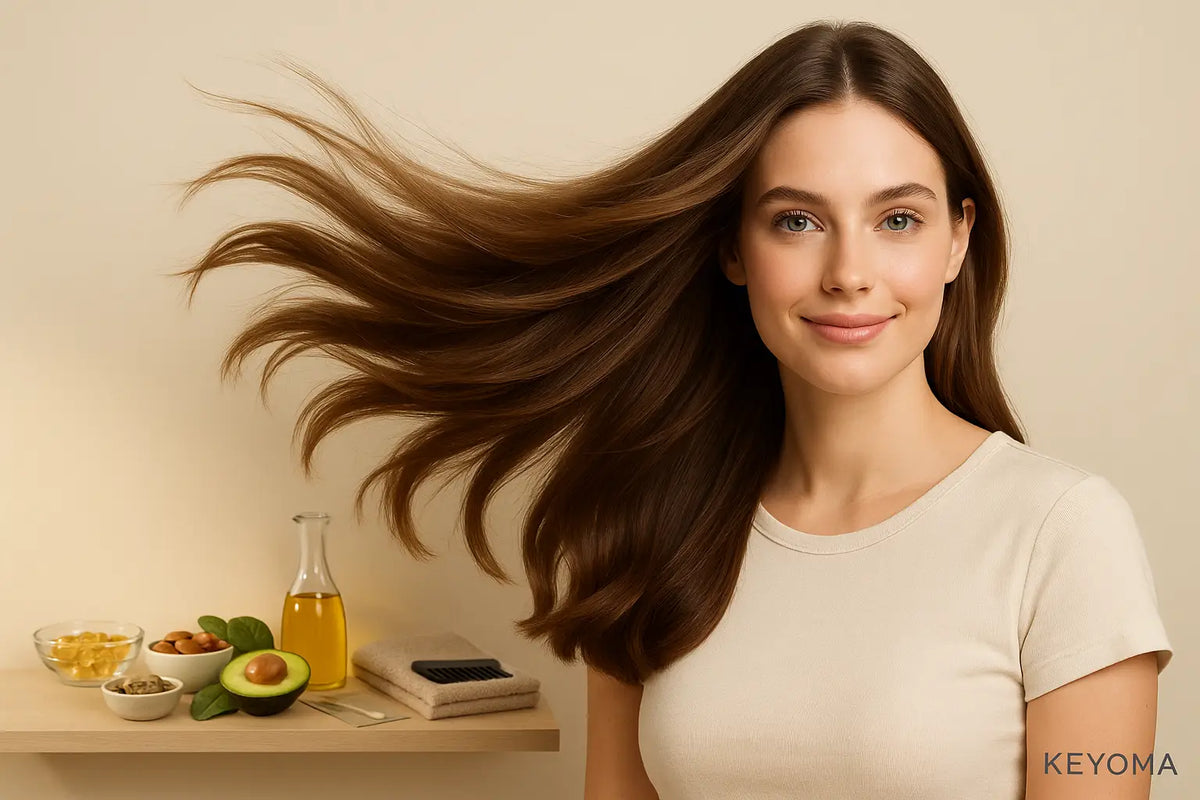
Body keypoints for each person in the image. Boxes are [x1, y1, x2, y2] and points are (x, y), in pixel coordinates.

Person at [170, 18, 1173, 800]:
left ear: (957, 241)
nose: (851, 272)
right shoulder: (650, 518)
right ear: (735, 248)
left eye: (898, 218)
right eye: (797, 220)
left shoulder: (1061, 533)